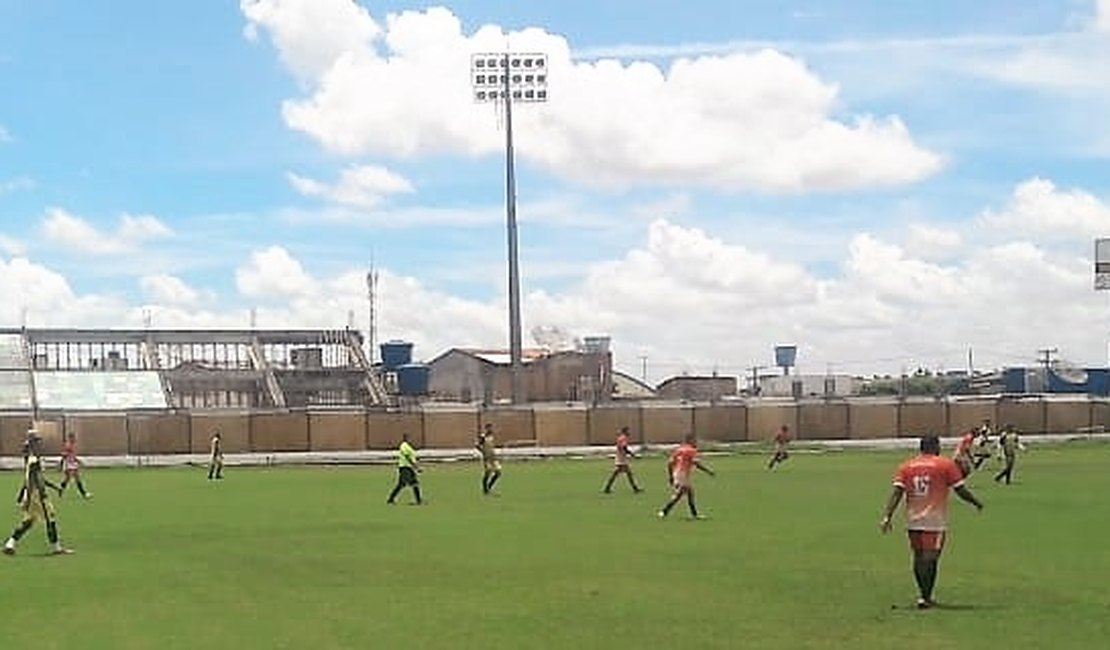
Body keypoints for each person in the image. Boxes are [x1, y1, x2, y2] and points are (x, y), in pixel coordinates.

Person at [880, 435, 984, 609]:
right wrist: (975, 502)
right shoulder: (945, 464)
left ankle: (923, 595)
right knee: (931, 559)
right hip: (934, 521)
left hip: (913, 520)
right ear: (936, 446)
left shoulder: (906, 466)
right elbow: (960, 489)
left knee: (918, 557)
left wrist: (887, 516)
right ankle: (925, 597)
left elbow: (897, 492)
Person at [4, 433, 73, 556]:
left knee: (29, 521)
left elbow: (37, 479)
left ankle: (10, 543)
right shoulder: (34, 461)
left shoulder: (32, 459)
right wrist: (29, 499)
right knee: (50, 518)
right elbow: (32, 481)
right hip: (38, 496)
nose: (39, 444)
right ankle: (56, 548)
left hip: (34, 495)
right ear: (32, 444)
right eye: (36, 442)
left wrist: (55, 487)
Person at [657, 433, 715, 519]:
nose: (696, 442)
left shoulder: (679, 449)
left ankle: (693, 514)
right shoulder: (691, 450)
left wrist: (671, 476)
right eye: (695, 440)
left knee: (689, 493)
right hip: (683, 475)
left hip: (677, 474)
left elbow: (669, 463)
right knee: (679, 495)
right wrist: (708, 471)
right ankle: (664, 511)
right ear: (690, 440)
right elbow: (696, 463)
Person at [603, 426, 642, 493]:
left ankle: (607, 488)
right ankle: (635, 489)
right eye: (628, 431)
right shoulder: (623, 438)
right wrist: (633, 455)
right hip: (622, 459)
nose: (629, 432)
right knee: (627, 474)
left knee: (620, 474)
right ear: (625, 431)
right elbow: (624, 448)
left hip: (621, 458)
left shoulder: (621, 438)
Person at [386, 434, 423, 505]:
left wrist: (415, 465)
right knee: (402, 484)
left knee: (415, 483)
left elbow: (412, 456)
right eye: (409, 438)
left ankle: (418, 500)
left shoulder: (409, 446)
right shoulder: (404, 446)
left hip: (409, 468)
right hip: (404, 467)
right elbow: (407, 457)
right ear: (406, 438)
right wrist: (416, 466)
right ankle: (390, 499)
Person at [58, 433, 92, 499]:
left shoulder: (73, 446)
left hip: (73, 464)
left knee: (71, 479)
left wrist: (78, 461)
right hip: (68, 464)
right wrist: (61, 463)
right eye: (72, 438)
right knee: (70, 479)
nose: (74, 439)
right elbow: (64, 455)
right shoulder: (68, 445)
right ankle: (83, 493)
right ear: (70, 438)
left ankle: (60, 489)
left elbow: (72, 456)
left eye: (74, 438)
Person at [476, 423, 502, 495]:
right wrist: (483, 452)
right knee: (488, 473)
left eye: (491, 428)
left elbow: (491, 445)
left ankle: (489, 487)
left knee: (498, 472)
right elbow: (477, 445)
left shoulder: (492, 435)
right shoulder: (483, 436)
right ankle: (485, 490)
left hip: (493, 457)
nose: (491, 429)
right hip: (487, 458)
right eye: (489, 428)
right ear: (486, 428)